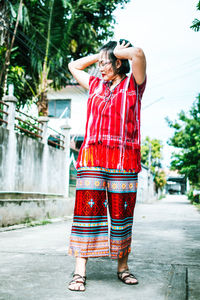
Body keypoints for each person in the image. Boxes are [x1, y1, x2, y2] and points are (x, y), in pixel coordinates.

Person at [67, 39, 146, 292]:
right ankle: (80, 272)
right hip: (92, 157)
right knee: (85, 214)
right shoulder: (95, 84)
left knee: (122, 215)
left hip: (123, 160)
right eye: (99, 64)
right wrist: (101, 54)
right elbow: (73, 65)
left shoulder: (134, 84)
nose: (100, 68)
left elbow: (139, 53)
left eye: (105, 63)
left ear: (119, 62)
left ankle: (122, 268)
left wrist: (116, 52)